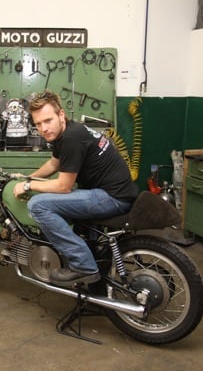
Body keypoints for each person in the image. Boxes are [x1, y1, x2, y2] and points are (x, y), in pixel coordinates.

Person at [13, 90, 139, 287]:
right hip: (112, 192)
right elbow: (53, 164)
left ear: (61, 115)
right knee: (46, 198)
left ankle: (83, 265)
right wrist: (29, 177)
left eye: (48, 120)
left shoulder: (71, 138)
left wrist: (28, 186)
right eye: (38, 124)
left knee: (37, 205)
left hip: (112, 197)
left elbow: (64, 186)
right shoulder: (66, 132)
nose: (44, 128)